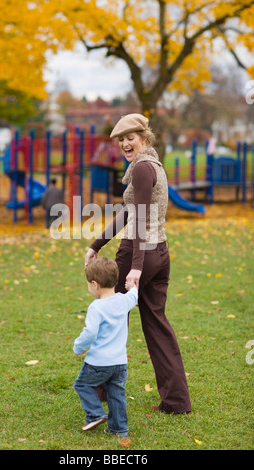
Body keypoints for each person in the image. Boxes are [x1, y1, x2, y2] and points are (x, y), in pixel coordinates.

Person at [84, 114, 192, 414]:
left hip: (139, 251)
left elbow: (140, 218)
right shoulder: (150, 164)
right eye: (121, 139)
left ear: (144, 137)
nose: (124, 144)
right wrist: (97, 245)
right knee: (157, 326)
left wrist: (135, 267)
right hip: (160, 252)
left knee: (108, 318)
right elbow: (130, 211)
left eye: (130, 137)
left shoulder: (143, 168)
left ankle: (98, 387)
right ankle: (176, 402)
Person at [73, 256, 138, 436]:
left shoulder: (97, 307)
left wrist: (78, 347)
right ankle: (119, 429)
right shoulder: (124, 301)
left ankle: (95, 414)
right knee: (116, 394)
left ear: (95, 284)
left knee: (82, 385)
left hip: (98, 362)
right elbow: (134, 296)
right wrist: (133, 287)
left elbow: (90, 332)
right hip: (120, 363)